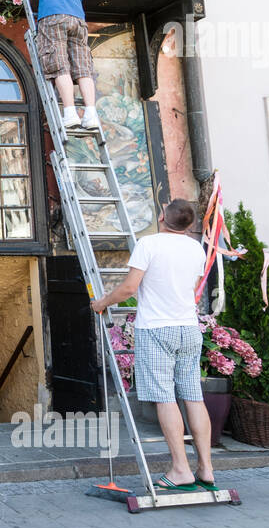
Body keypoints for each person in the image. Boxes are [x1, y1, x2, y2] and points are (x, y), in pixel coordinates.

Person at [91, 198, 216, 492]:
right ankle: (206, 468)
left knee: (165, 398)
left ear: (163, 217)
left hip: (157, 330)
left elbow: (130, 287)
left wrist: (102, 303)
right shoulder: (195, 248)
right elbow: (192, 287)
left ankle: (181, 469)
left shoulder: (149, 244)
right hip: (188, 327)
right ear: (189, 224)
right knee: (193, 396)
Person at [27, 0, 116, 131]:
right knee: (83, 68)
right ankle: (91, 114)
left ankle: (70, 113)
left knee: (59, 65)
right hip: (77, 20)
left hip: (52, 17)